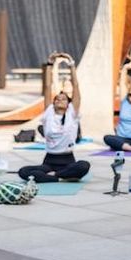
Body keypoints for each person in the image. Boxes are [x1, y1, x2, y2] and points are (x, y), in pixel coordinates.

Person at [19, 52, 91, 182]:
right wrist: (50, 64)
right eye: (57, 99)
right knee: (23, 172)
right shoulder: (49, 112)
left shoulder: (72, 113)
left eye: (63, 99)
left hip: (68, 160)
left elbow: (76, 86)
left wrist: (71, 63)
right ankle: (59, 177)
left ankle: (54, 176)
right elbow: (47, 87)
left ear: (68, 103)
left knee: (84, 166)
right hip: (49, 161)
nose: (60, 100)